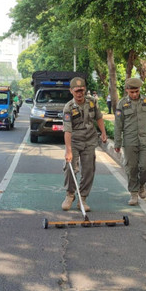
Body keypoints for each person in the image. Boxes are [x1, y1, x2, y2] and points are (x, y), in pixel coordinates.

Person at [114, 77, 146, 206]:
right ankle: (134, 194)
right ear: (127, 90)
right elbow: (118, 125)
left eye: (136, 91)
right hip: (129, 140)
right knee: (132, 168)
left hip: (145, 139)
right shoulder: (122, 104)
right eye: (132, 92)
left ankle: (141, 184)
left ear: (139, 89)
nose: (134, 94)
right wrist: (117, 143)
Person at [62, 77, 107, 212]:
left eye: (81, 90)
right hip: (75, 141)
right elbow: (67, 130)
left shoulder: (92, 102)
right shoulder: (68, 108)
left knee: (88, 170)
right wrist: (68, 150)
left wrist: (103, 132)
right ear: (71, 91)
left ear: (85, 89)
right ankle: (70, 195)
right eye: (77, 91)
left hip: (89, 141)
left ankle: (82, 198)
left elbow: (98, 117)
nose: (80, 93)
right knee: (70, 168)